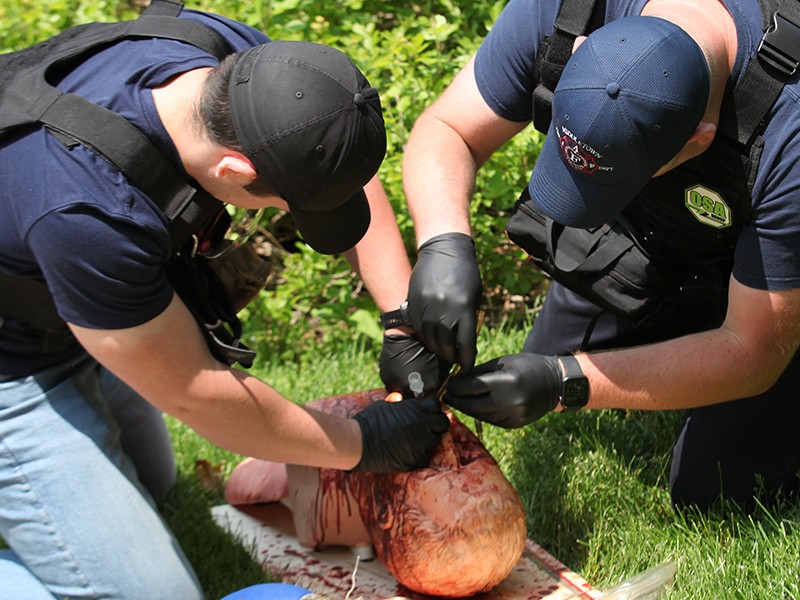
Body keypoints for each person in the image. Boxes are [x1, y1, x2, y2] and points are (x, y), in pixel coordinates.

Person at [0, 4, 449, 598]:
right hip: (12, 364)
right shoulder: (88, 211)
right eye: (287, 204)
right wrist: (363, 445)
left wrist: (401, 319)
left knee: (157, 488)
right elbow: (197, 392)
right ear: (234, 170)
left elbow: (331, 148)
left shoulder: (232, 64)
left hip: (82, 307)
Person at [394, 0, 800, 511]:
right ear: (580, 53)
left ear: (700, 140)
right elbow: (448, 128)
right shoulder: (571, 10)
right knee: (541, 355)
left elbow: (753, 352)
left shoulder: (788, 137)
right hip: (654, 245)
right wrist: (444, 243)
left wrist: (566, 383)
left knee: (714, 490)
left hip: (777, 294)